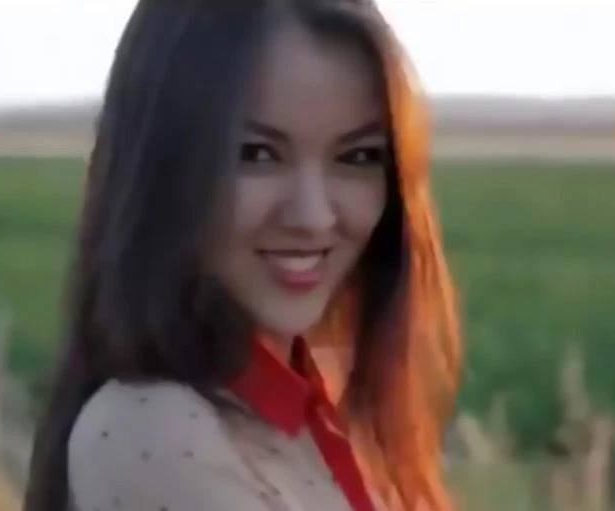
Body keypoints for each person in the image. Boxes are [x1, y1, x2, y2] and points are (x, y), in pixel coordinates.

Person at [25, 0, 462, 510]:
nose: (313, 216)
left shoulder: (318, 410)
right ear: (161, 167)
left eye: (358, 156)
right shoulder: (156, 431)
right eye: (256, 154)